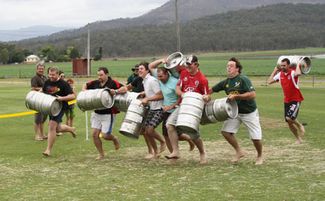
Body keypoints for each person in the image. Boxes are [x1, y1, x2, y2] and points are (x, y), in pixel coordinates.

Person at [206, 57, 263, 165]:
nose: (228, 68)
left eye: (231, 66)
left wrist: (237, 96)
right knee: (226, 132)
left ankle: (260, 156)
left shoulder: (243, 79)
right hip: (235, 113)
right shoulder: (226, 82)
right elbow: (212, 89)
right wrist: (206, 95)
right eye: (227, 66)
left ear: (237, 69)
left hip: (249, 112)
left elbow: (252, 94)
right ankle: (239, 151)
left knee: (255, 138)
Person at [165, 55, 209, 164]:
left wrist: (206, 98)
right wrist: (183, 94)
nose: (187, 66)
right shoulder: (184, 73)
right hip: (182, 105)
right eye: (186, 64)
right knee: (169, 125)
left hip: (194, 108)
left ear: (196, 64)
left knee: (193, 133)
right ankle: (176, 151)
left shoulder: (202, 79)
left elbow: (207, 96)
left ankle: (202, 153)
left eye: (189, 64)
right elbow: (177, 88)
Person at [149, 60, 195, 153]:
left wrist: (171, 106)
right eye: (158, 77)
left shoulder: (175, 82)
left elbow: (180, 98)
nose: (160, 79)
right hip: (166, 110)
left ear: (167, 74)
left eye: (161, 76)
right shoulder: (159, 78)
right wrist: (162, 60)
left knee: (173, 134)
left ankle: (188, 140)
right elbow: (150, 66)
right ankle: (173, 154)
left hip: (176, 110)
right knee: (166, 135)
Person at [82, 67, 121, 160]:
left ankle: (114, 139)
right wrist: (84, 91)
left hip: (108, 113)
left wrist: (115, 91)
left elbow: (124, 88)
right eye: (98, 75)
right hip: (96, 113)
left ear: (107, 74)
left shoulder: (113, 83)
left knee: (105, 135)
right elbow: (85, 85)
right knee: (95, 134)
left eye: (101, 75)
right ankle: (101, 154)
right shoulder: (95, 83)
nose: (99, 77)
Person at [267, 58, 305, 144]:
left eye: (284, 65)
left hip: (296, 99)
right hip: (287, 101)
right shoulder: (280, 74)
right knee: (289, 122)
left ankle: (299, 125)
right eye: (281, 65)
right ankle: (298, 139)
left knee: (289, 118)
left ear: (288, 65)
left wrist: (299, 63)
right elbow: (269, 81)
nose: (282, 67)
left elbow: (298, 73)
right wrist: (274, 71)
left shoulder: (292, 72)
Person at [42, 67, 76, 156]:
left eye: (53, 75)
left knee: (52, 126)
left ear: (57, 74)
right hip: (50, 108)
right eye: (50, 74)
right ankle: (71, 129)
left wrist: (62, 98)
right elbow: (43, 92)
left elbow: (73, 96)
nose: (51, 76)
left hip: (60, 108)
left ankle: (48, 150)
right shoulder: (47, 82)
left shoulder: (63, 84)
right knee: (57, 128)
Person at [31, 61, 48, 141]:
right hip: (37, 100)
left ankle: (42, 134)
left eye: (42, 69)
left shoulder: (44, 77)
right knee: (37, 119)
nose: (41, 70)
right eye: (39, 69)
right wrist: (42, 89)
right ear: (36, 69)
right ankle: (37, 135)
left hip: (44, 100)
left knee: (43, 119)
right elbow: (33, 88)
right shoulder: (35, 78)